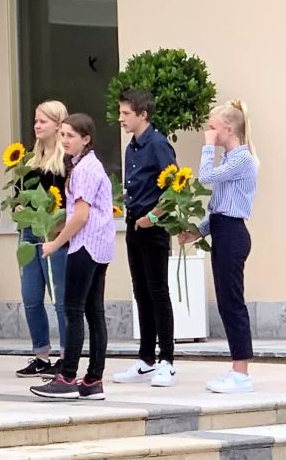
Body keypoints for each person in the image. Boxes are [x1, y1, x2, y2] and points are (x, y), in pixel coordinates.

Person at [31, 113, 115, 401]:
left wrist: (54, 244)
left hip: (86, 245)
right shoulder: (85, 165)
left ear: (86, 139)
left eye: (71, 136)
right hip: (99, 245)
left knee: (74, 309)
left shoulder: (85, 170)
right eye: (63, 135)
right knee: (93, 311)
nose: (65, 140)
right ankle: (93, 379)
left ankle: (67, 376)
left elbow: (80, 215)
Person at [179, 99, 258, 394]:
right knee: (226, 301)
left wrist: (207, 146)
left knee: (232, 302)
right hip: (222, 229)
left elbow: (206, 177)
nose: (207, 132)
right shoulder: (229, 159)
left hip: (233, 234)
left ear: (227, 128)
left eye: (212, 127)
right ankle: (237, 369)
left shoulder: (241, 159)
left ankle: (241, 373)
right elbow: (220, 206)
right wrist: (198, 232)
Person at [114, 90, 178, 387]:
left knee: (157, 291)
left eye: (126, 113)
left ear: (142, 114)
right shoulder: (132, 148)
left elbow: (176, 186)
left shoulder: (158, 144)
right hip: (133, 224)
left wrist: (152, 217)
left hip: (153, 227)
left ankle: (167, 359)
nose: (121, 119)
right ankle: (145, 359)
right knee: (140, 290)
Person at [14, 101, 69, 380]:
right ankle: (40, 354)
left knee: (59, 297)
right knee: (31, 295)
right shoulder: (27, 162)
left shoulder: (64, 162)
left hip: (54, 231)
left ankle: (66, 355)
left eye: (43, 121)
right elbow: (17, 195)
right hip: (30, 233)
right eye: (35, 121)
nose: (37, 126)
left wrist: (57, 221)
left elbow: (69, 200)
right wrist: (18, 207)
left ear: (59, 125)